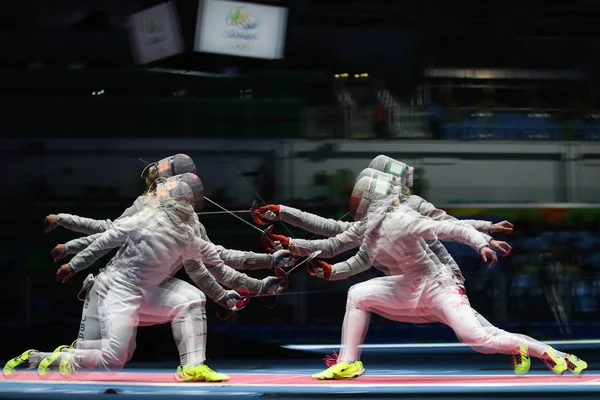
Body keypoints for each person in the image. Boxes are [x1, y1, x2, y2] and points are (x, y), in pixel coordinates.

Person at [258, 167, 586, 378]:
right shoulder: (369, 225)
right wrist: (289, 238)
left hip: (439, 287)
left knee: (481, 340)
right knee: (358, 294)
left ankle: (552, 353)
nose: (356, 202)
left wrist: (482, 239)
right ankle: (348, 362)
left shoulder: (406, 216)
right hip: (408, 290)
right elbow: (333, 239)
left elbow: (449, 227)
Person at [5, 174, 282, 382]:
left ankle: (192, 367)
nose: (189, 206)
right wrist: (73, 264)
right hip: (115, 290)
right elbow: (105, 238)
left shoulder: (188, 234)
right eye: (186, 200)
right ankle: (49, 358)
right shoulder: (144, 217)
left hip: (147, 292)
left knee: (192, 299)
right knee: (112, 361)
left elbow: (220, 258)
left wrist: (269, 262)